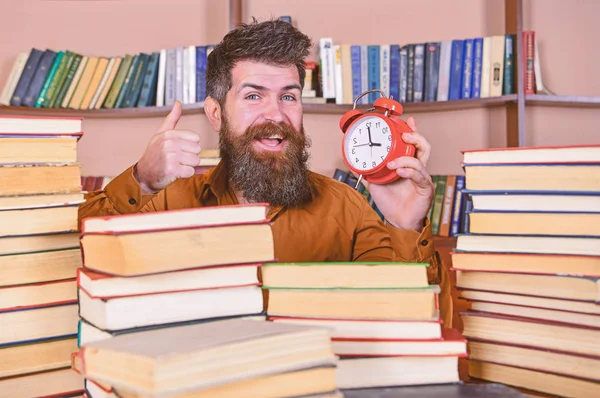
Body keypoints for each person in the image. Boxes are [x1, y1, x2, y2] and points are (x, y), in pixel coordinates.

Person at [78, 19, 452, 327]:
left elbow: (406, 322)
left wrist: (404, 226)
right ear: (215, 114)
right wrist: (141, 179)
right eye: (253, 96)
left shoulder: (349, 209)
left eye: (288, 96)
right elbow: (86, 268)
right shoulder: (169, 202)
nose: (275, 114)